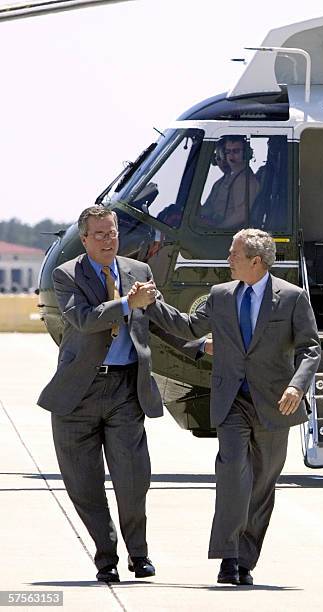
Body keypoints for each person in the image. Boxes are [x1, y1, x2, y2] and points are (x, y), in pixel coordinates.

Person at [133, 228, 320, 585]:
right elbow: (189, 327)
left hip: (274, 403)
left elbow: (310, 348)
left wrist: (297, 386)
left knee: (263, 485)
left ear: (256, 261)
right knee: (232, 472)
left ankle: (247, 561)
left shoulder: (292, 297)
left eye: (234, 254)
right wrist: (152, 304)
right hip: (231, 399)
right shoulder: (220, 295)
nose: (227, 260)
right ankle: (229, 557)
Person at [37, 206, 163, 583]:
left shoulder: (138, 272)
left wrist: (197, 342)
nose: (109, 240)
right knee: (84, 483)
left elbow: (158, 318)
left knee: (133, 478)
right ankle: (105, 555)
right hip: (79, 393)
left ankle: (138, 554)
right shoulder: (66, 275)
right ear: (85, 238)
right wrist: (127, 303)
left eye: (113, 233)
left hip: (125, 387)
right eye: (101, 235)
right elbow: (84, 319)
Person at [200, 136, 259, 229]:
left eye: (236, 151)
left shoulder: (245, 180)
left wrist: (218, 229)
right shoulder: (228, 179)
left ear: (246, 154)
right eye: (228, 152)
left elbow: (241, 215)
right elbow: (208, 209)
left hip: (230, 235)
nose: (231, 156)